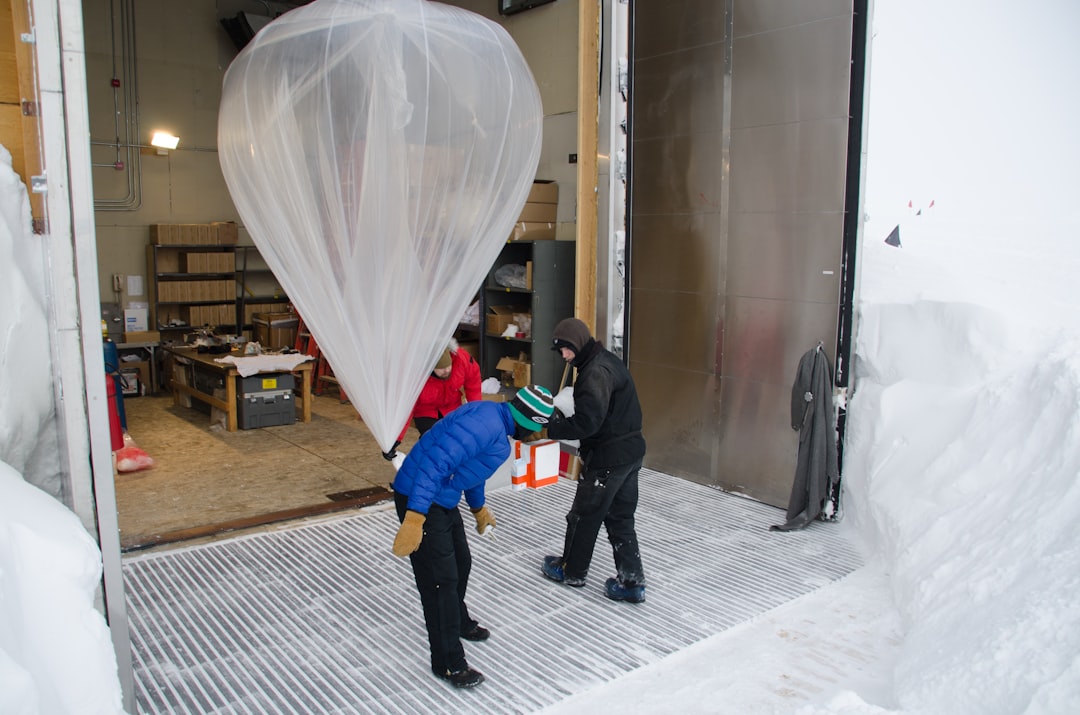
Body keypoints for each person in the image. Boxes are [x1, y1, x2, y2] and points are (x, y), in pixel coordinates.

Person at [390, 384, 555, 688]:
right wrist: (415, 516)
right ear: (528, 420)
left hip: (442, 497)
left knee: (461, 564)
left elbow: (471, 470)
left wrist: (479, 509)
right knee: (440, 582)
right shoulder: (485, 425)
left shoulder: (494, 423)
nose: (534, 437)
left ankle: (458, 621)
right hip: (421, 496)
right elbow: (433, 464)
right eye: (536, 430)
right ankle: (448, 662)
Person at [540, 317, 648, 603]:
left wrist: (552, 428)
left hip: (608, 458)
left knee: (584, 516)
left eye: (565, 349)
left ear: (576, 343)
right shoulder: (605, 361)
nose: (563, 356)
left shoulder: (594, 373)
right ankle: (631, 582)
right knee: (620, 518)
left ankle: (571, 571)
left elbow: (588, 423)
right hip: (631, 452)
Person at [385, 341, 482, 458]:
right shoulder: (414, 376)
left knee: (457, 438)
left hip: (452, 407)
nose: (446, 370)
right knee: (435, 441)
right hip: (426, 411)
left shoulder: (461, 359)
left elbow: (473, 384)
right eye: (441, 368)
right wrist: (395, 439)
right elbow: (406, 409)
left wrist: (476, 415)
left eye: (448, 366)